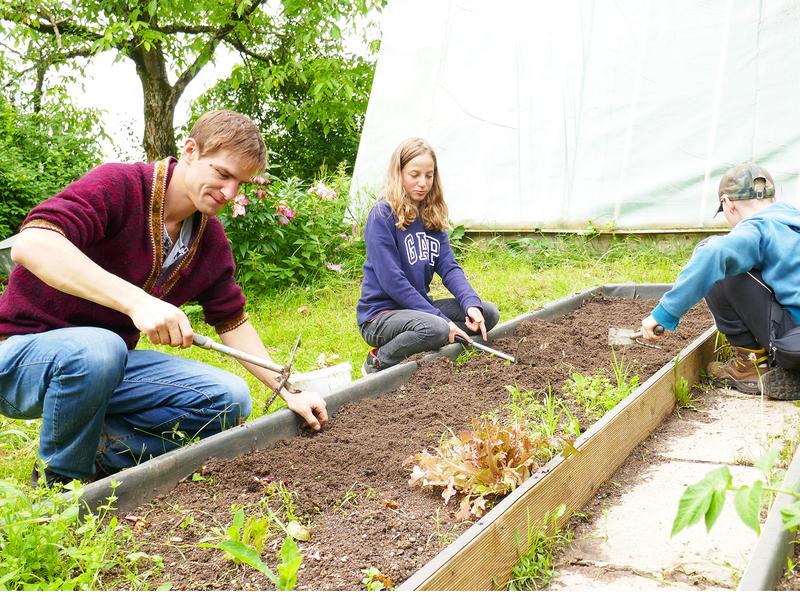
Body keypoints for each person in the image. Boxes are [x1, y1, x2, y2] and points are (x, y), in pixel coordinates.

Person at [0, 110, 328, 486]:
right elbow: (33, 243)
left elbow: (232, 320)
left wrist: (289, 391)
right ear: (190, 150)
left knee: (229, 398)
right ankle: (62, 485)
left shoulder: (208, 241)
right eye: (222, 174)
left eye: (241, 183)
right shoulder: (120, 186)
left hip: (108, 365)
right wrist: (138, 302)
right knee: (99, 349)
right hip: (19, 358)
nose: (230, 193)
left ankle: (103, 454)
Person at [641, 162, 800, 399]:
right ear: (774, 196)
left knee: (716, 259)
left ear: (727, 203)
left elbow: (713, 255)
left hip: (795, 344)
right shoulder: (791, 221)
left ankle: (750, 367)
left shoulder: (758, 228)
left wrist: (663, 314)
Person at [356, 137, 500, 375]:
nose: (423, 183)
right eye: (414, 174)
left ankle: (432, 337)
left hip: (418, 310)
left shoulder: (431, 216)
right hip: (380, 316)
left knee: (489, 314)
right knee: (437, 328)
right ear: (398, 173)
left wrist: (471, 304)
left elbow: (449, 268)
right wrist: (441, 320)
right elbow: (393, 281)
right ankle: (378, 360)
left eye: (429, 175)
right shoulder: (382, 215)